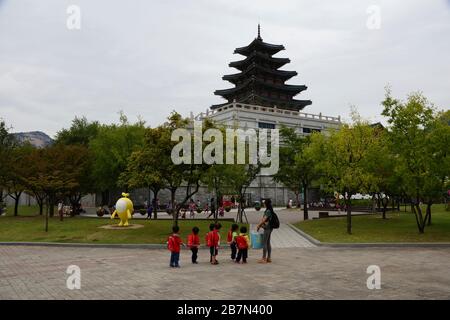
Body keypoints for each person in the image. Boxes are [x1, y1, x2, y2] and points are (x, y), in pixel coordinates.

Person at [256, 198, 274, 264]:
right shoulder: (270, 210)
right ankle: (269, 258)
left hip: (267, 228)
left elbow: (264, 220)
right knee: (268, 242)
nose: (263, 204)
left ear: (266, 204)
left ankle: (264, 258)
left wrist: (258, 225)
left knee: (264, 243)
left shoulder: (268, 211)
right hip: (269, 228)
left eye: (264, 203)